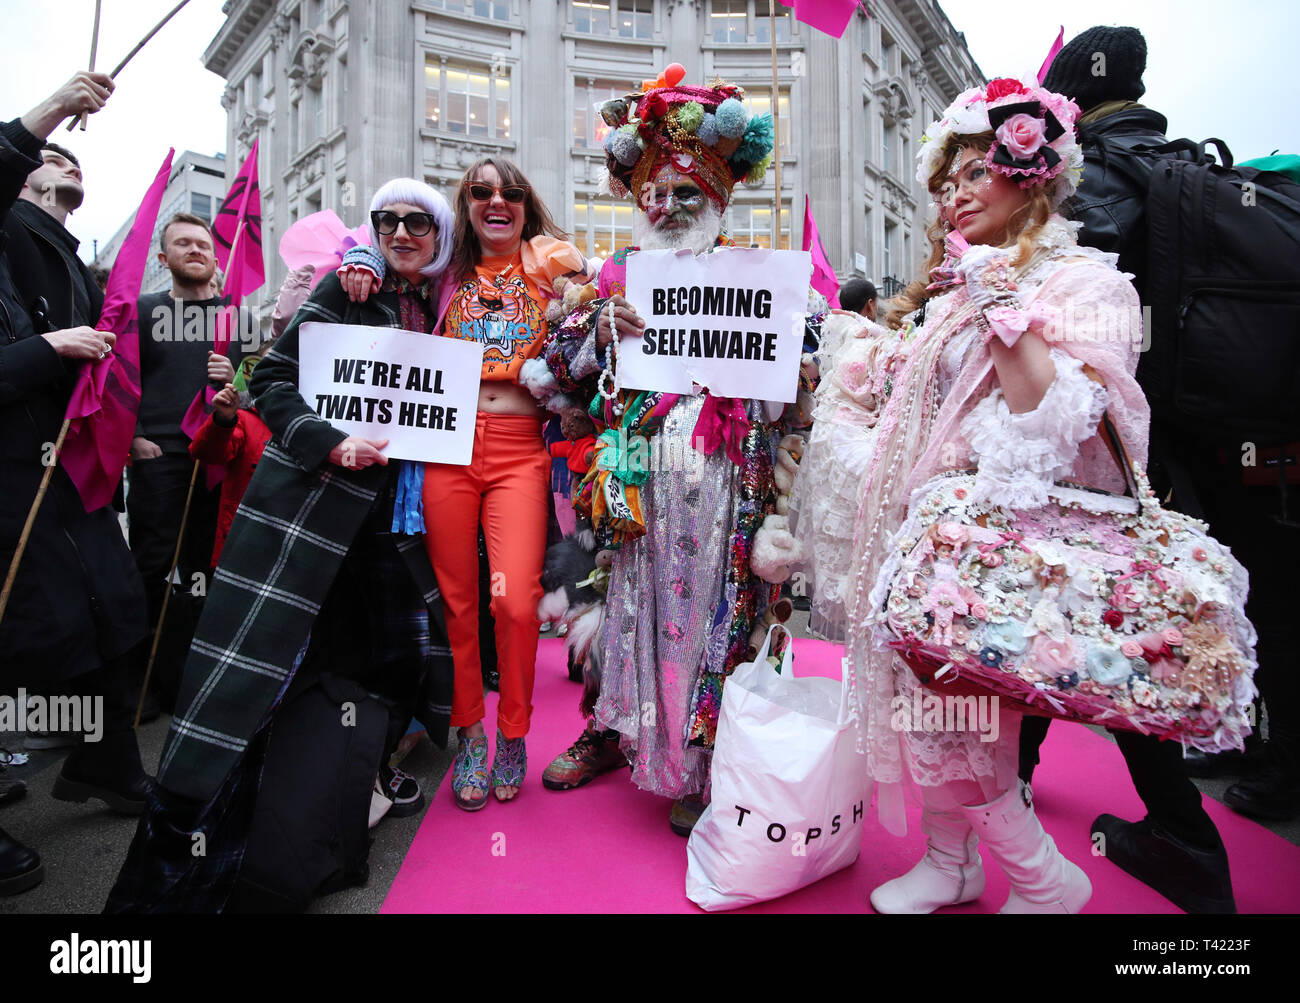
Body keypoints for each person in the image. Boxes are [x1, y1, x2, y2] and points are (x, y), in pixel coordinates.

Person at [843, 75, 1151, 913]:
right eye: (946, 184)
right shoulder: (957, 282)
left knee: (970, 722)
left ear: (1035, 171)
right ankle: (952, 864)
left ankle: (1047, 880)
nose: (953, 198)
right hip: (930, 538)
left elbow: (1050, 415)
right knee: (931, 713)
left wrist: (998, 295)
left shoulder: (1086, 282)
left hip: (1003, 550)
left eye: (974, 173)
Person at [106, 179, 457, 912]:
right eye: (384, 219)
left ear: (439, 233)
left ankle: (320, 819)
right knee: (253, 686)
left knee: (369, 671)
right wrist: (330, 446)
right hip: (310, 517)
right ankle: (182, 875)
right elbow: (270, 378)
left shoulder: (440, 305)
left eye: (416, 220)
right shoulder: (349, 286)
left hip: (387, 531)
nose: (399, 230)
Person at [531, 73, 808, 833]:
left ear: (718, 201)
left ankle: (707, 758)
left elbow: (812, 365)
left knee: (718, 617)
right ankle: (613, 727)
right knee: (622, 606)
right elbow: (553, 359)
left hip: (726, 483)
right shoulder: (616, 275)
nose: (667, 208)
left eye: (686, 195)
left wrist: (799, 345)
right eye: (655, 194)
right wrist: (595, 332)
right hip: (632, 478)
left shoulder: (759, 277)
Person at [1025, 26, 1245, 912]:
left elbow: (1084, 298)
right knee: (1097, 612)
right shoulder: (1187, 165)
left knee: (1079, 608)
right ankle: (1174, 817)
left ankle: (1184, 832)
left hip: (1113, 442)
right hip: (1200, 432)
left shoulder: (1097, 177)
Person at [340, 159, 591, 810]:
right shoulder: (444, 272)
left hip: (518, 453)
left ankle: (514, 731)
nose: (496, 199)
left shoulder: (549, 265)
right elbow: (395, 239)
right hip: (445, 450)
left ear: (524, 203)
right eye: (481, 191)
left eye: (510, 190)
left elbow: (598, 298)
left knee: (512, 600)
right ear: (467, 205)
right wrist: (361, 260)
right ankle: (470, 734)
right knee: (457, 601)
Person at [1, 72, 157, 898]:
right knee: (20, 634)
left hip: (65, 468)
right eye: (39, 153)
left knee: (108, 612)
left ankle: (107, 762)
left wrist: (114, 430)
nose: (57, 154)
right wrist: (54, 105)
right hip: (7, 475)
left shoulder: (61, 246)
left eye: (68, 152)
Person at [129, 212, 249, 705]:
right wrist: (133, 440)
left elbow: (251, 389)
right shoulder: (142, 311)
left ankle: (195, 679)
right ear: (164, 258)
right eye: (183, 244)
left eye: (202, 244)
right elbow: (120, 382)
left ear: (215, 257)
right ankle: (145, 684)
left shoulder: (233, 318)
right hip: (161, 454)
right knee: (152, 568)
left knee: (207, 570)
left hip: (216, 457)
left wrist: (233, 375)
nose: (196, 250)